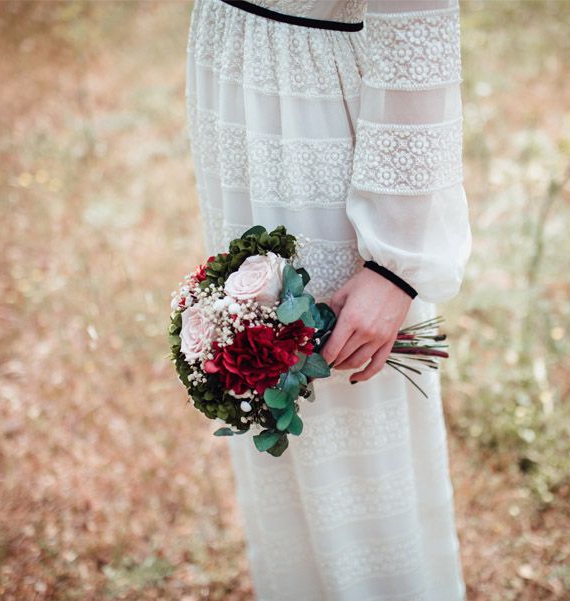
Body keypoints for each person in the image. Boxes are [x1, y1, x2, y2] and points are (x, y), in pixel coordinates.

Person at [184, 0, 472, 598]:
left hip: (310, 120)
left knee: (345, 408)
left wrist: (393, 268)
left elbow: (419, 35)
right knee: (269, 397)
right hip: (237, 89)